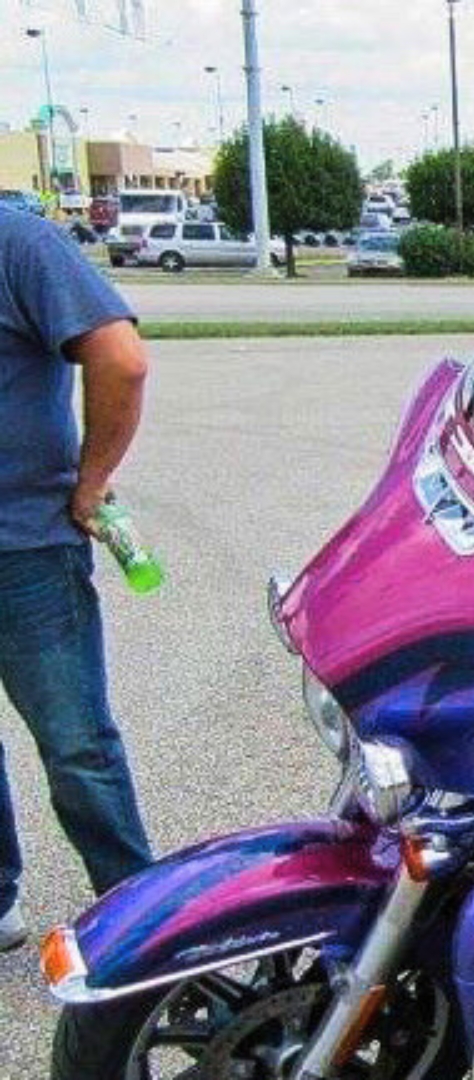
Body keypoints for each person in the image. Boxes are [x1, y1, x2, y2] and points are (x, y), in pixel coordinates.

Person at [0, 206, 155, 952]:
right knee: (77, 747)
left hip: (22, 549)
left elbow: (120, 357)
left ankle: (139, 923)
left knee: (76, 746)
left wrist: (90, 482)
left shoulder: (17, 239)